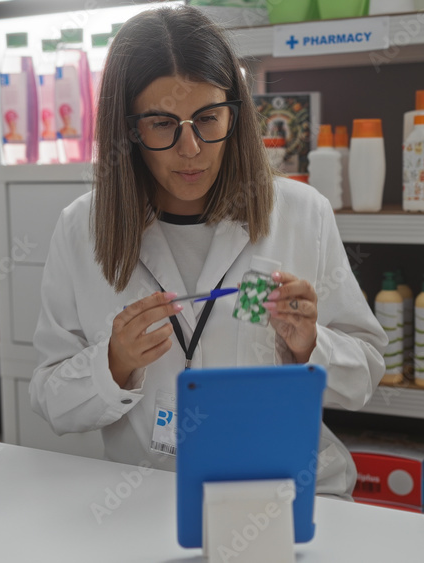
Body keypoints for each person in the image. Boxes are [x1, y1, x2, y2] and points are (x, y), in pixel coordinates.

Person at [30, 5, 387, 499]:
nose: (191, 148)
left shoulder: (303, 213)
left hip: (279, 493)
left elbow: (365, 372)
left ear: (233, 115)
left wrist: (310, 345)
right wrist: (112, 363)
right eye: (163, 124)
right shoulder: (81, 229)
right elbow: (49, 397)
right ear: (129, 128)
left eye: (207, 118)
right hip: (147, 497)